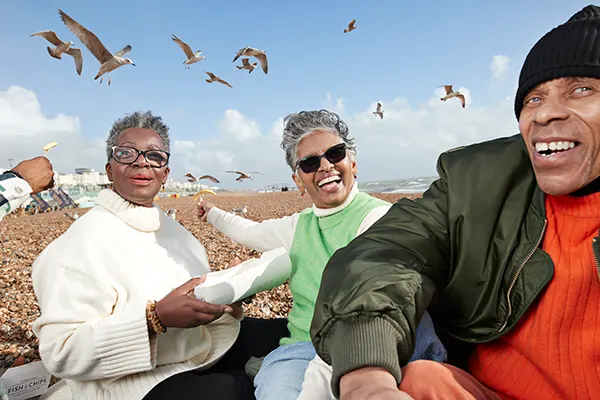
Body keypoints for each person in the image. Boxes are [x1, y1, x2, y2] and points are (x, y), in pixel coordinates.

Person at [310, 4, 600, 400]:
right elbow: (385, 253)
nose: (546, 113)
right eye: (533, 98)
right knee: (420, 380)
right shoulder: (476, 179)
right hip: (482, 389)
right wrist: (365, 376)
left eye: (582, 89)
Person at [32, 111, 288, 400]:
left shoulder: (180, 236)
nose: (141, 161)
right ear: (109, 169)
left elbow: (197, 301)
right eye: (126, 153)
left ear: (164, 173)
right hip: (128, 384)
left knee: (291, 335)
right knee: (234, 389)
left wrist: (231, 289)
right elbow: (61, 353)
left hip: (200, 351)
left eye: (154, 156)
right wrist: (155, 319)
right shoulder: (75, 246)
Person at [198, 110, 447, 400]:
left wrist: (320, 381)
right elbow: (250, 231)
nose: (326, 165)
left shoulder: (381, 218)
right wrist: (212, 214)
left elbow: (374, 297)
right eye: (310, 162)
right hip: (303, 347)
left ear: (353, 164)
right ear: (298, 180)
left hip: (386, 339)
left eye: (335, 153)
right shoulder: (297, 226)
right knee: (277, 389)